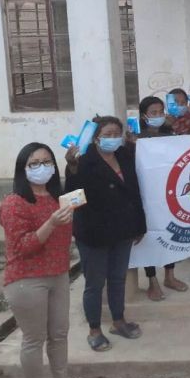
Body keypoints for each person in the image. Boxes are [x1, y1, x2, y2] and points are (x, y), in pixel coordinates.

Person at [65, 116, 146, 352]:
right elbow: (72, 198)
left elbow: (135, 192)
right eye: (107, 134)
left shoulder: (125, 156)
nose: (112, 138)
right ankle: (94, 330)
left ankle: (118, 321)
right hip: (93, 233)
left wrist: (139, 226)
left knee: (118, 279)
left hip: (123, 230)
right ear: (96, 138)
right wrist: (72, 169)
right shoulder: (82, 161)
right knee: (95, 283)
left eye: (116, 134)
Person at [0, 143, 73, 378]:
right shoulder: (14, 203)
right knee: (34, 339)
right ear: (23, 169)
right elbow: (23, 246)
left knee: (59, 334)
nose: (42, 167)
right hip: (27, 279)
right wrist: (51, 223)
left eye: (47, 162)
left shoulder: (57, 198)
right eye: (34, 163)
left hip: (59, 274)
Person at [134, 97, 189, 301]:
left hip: (168, 194)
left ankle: (170, 276)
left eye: (161, 112)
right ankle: (152, 281)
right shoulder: (137, 139)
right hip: (146, 195)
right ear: (144, 116)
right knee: (150, 237)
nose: (158, 116)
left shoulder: (170, 135)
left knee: (169, 234)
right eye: (153, 113)